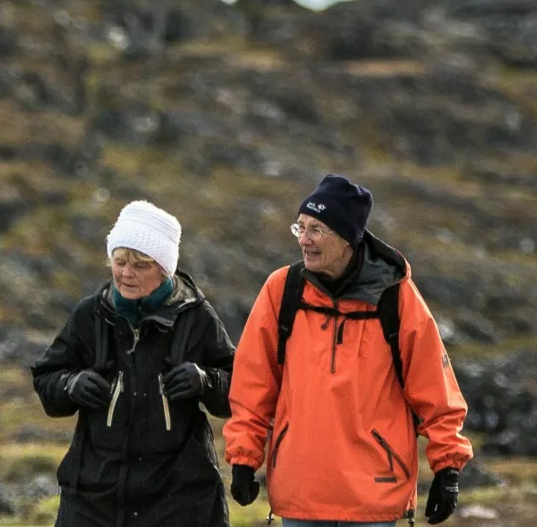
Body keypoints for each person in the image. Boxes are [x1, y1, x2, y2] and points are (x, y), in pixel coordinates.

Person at [225, 175, 473, 527]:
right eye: (301, 227)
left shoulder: (396, 297)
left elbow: (435, 388)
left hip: (375, 495)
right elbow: (253, 384)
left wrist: (448, 468)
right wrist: (244, 458)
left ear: (347, 239)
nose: (304, 240)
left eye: (316, 230)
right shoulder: (283, 290)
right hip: (301, 492)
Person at [31, 201, 237, 527]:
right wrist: (71, 385)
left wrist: (205, 381)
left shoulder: (196, 316)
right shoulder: (90, 315)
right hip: (94, 496)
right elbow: (46, 379)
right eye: (119, 261)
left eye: (139, 265)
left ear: (163, 269)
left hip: (179, 499)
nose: (126, 274)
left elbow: (238, 387)